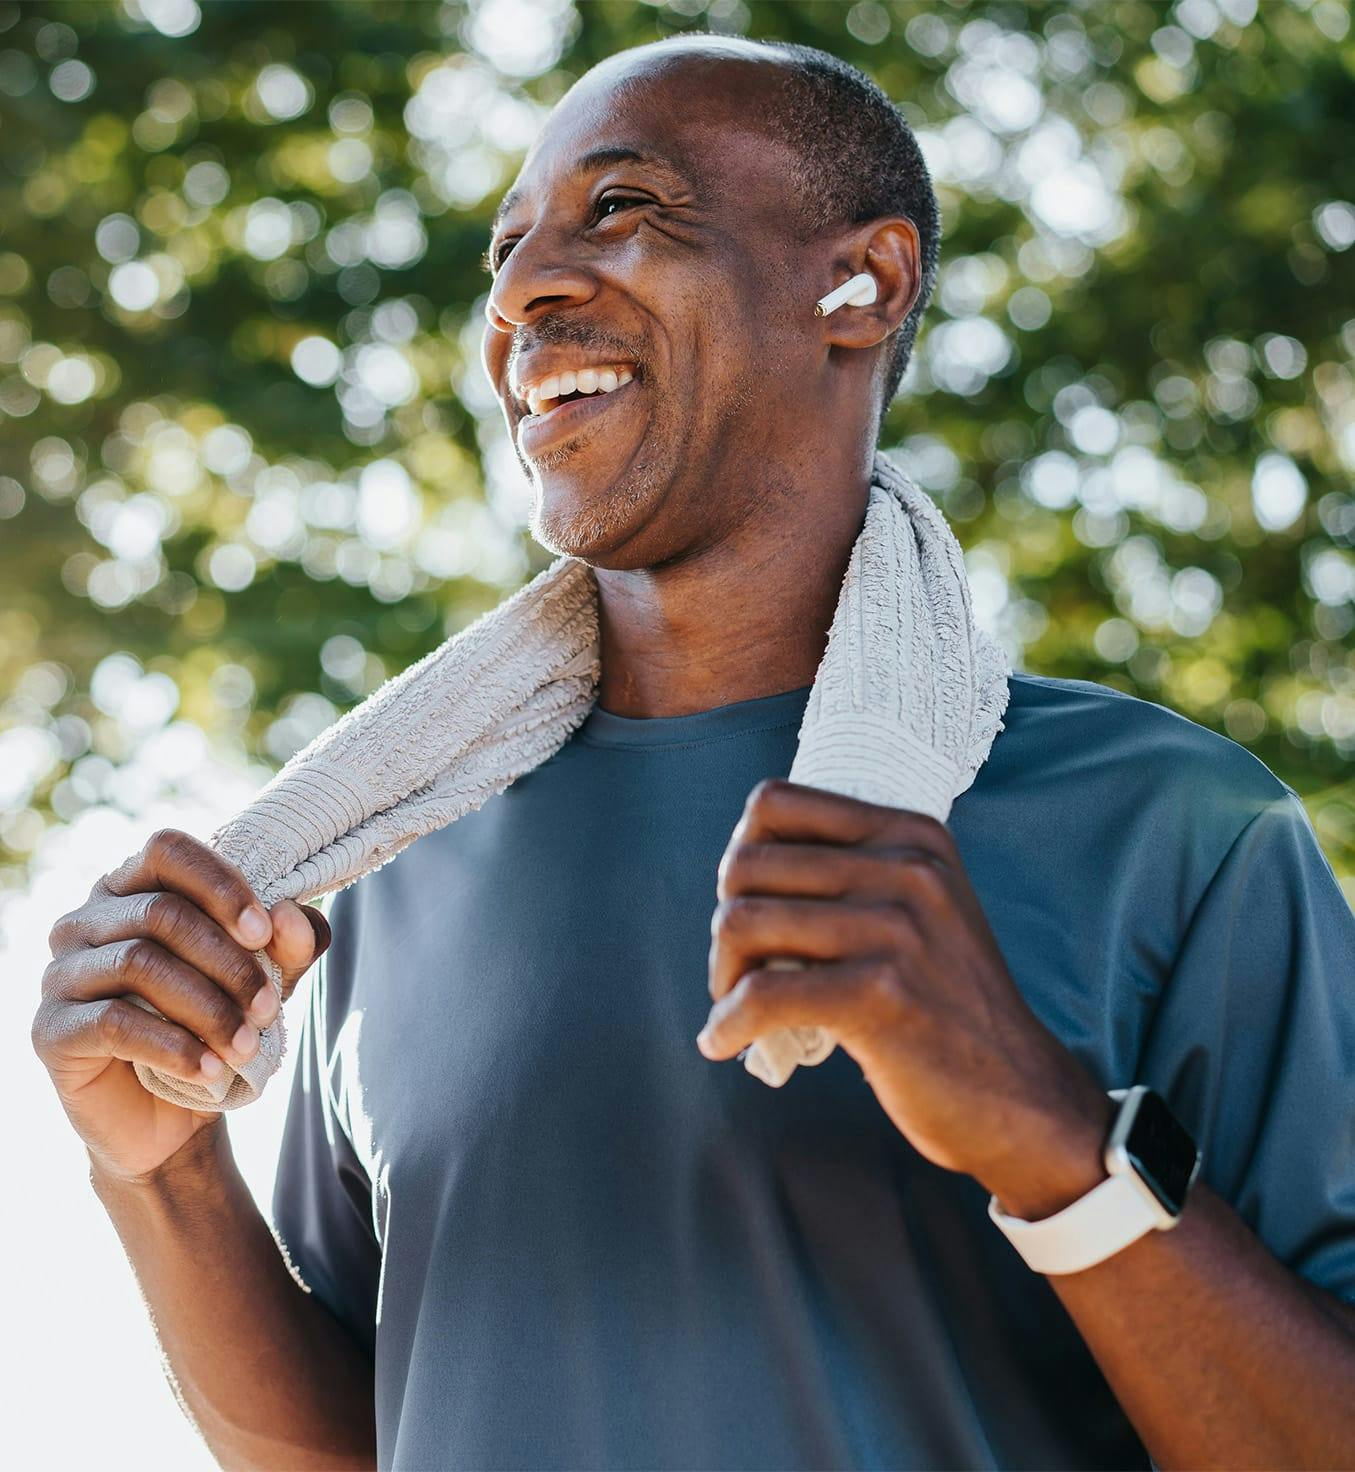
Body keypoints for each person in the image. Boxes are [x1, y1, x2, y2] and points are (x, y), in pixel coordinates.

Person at [31, 31, 1355, 1472]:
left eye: (621, 210)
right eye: (507, 249)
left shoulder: (1173, 832)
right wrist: (156, 1175)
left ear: (865, 284)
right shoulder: (383, 869)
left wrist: (1051, 1140)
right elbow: (364, 1450)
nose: (523, 290)